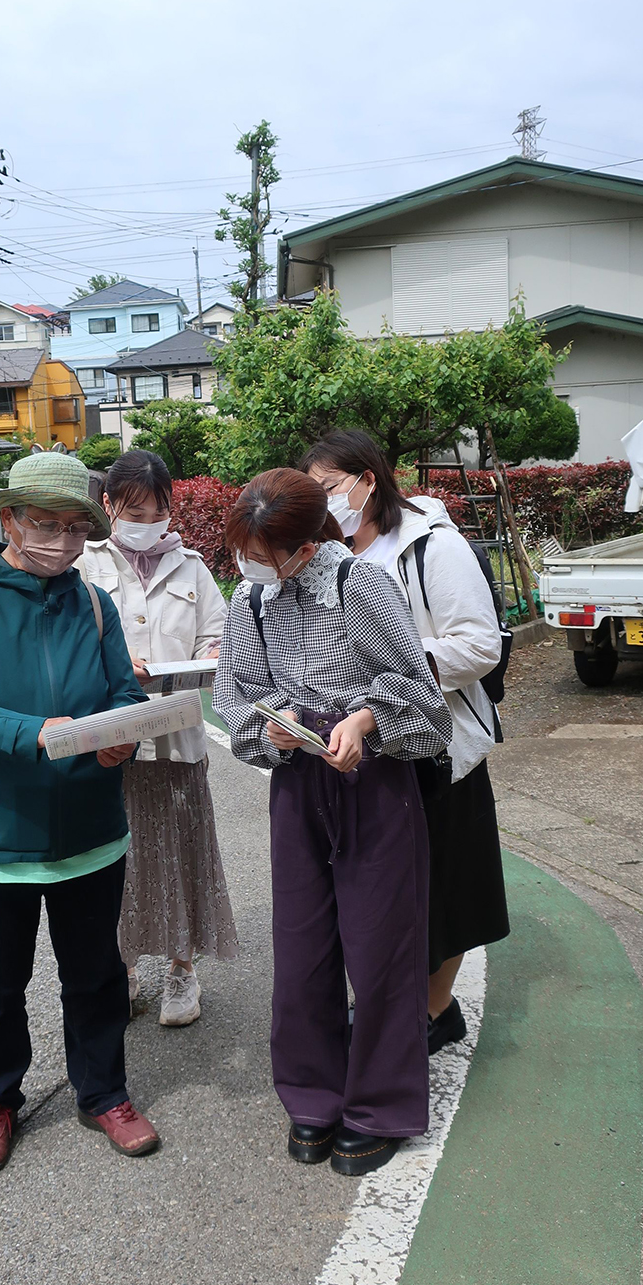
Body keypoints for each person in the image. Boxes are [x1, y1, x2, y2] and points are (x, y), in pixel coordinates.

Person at [0, 451, 159, 1175]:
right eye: (43, 524)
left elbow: (123, 694)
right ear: (7, 519)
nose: (59, 540)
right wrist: (35, 734)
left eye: (74, 528)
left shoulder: (92, 602)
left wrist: (122, 738)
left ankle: (104, 1092)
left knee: (96, 977)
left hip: (89, 830)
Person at [212, 469, 451, 1175]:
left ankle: (380, 1107)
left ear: (308, 547)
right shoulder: (251, 599)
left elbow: (420, 691)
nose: (249, 566)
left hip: (373, 781)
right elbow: (240, 694)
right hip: (297, 782)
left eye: (262, 553)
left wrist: (367, 717)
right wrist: (273, 726)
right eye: (243, 552)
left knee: (381, 949)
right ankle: (312, 1096)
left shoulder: (361, 585)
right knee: (303, 946)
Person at [301, 429, 509, 1054]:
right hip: (364, 750)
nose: (322, 502)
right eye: (311, 492)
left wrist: (392, 667)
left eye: (328, 488)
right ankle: (394, 1004)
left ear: (367, 480)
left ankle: (435, 1011)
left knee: (447, 888)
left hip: (434, 744)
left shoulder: (430, 546)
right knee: (383, 892)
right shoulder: (324, 554)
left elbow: (478, 645)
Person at [79, 450, 237, 1026]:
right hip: (109, 740)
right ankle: (118, 970)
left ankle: (182, 970)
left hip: (175, 737)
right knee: (111, 861)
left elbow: (218, 640)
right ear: (109, 506)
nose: (147, 520)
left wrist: (207, 657)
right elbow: (70, 649)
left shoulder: (193, 568)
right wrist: (121, 666)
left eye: (158, 509)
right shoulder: (83, 565)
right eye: (134, 509)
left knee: (180, 850)